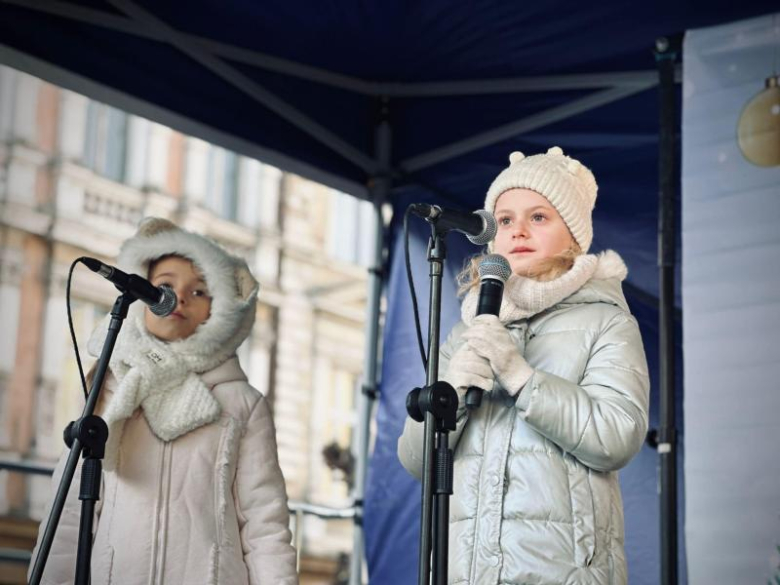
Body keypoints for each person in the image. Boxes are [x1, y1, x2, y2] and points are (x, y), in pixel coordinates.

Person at [398, 147, 650, 585]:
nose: (518, 231)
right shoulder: (467, 331)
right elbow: (415, 461)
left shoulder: (606, 320)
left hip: (562, 572)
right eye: (505, 220)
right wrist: (450, 397)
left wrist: (522, 378)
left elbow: (618, 435)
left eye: (538, 217)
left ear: (572, 234)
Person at [30, 217, 298, 585]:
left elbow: (264, 523)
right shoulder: (111, 387)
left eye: (199, 291)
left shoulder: (242, 404)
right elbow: (70, 514)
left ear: (218, 311)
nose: (180, 297)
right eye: (165, 285)